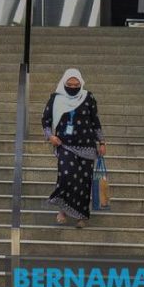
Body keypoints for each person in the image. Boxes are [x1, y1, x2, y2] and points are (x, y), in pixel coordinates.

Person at [42, 68, 106, 228]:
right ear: (64, 83)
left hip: (87, 147)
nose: (72, 87)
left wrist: (102, 142)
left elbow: (95, 121)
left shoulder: (88, 97)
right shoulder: (56, 98)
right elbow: (46, 120)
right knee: (66, 175)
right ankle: (63, 209)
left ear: (81, 83)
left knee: (84, 182)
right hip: (65, 145)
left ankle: (81, 216)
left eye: (76, 85)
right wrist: (50, 137)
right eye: (69, 85)